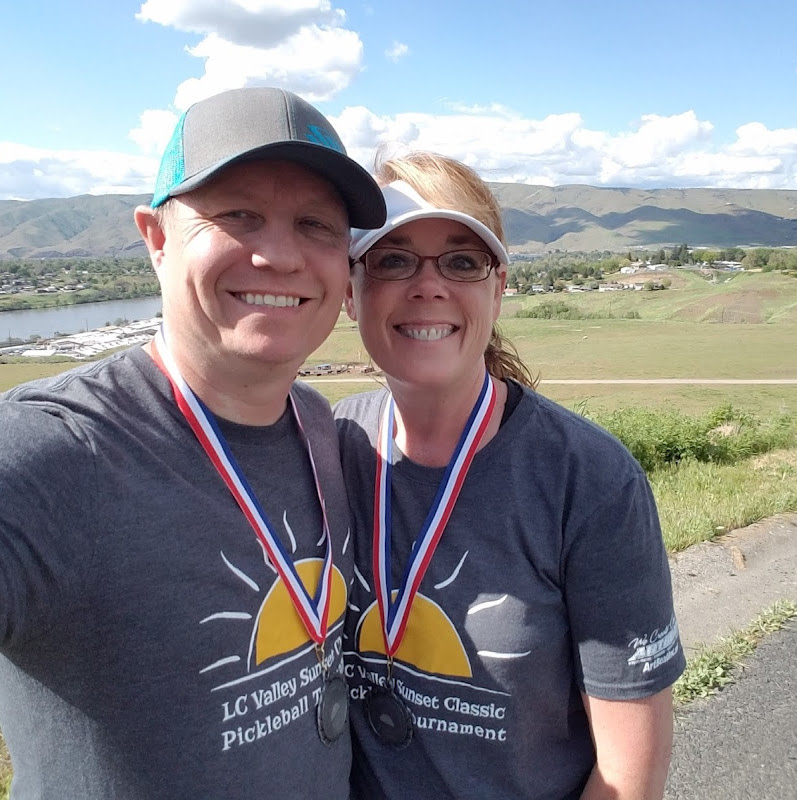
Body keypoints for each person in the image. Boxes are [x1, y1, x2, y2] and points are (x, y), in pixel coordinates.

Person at [0, 86, 386, 799]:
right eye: (239, 215)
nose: (280, 256)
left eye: (317, 225)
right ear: (155, 237)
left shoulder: (318, 427)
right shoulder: (52, 454)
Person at [334, 151, 685, 799]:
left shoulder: (587, 479)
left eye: (462, 261)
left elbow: (629, 774)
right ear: (351, 291)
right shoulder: (330, 447)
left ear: (497, 288)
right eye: (392, 258)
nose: (428, 284)